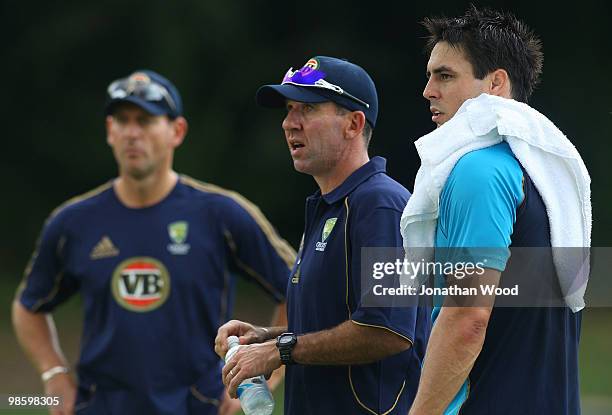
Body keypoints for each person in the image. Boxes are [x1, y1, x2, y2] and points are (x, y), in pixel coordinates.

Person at [12, 69, 295, 415]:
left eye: (145, 120)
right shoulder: (73, 222)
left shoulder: (222, 214)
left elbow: (297, 286)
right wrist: (54, 373)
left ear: (177, 131)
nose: (132, 132)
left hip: (196, 407)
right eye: (121, 120)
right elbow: (28, 307)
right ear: (109, 131)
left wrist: (269, 370)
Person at [401, 6, 590, 414]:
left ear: (496, 83)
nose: (428, 90)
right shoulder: (548, 174)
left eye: (445, 75)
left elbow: (468, 317)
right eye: (430, 75)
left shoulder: (479, 171)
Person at [215, 56, 431, 414]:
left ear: (353, 124)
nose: (289, 123)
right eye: (288, 109)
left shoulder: (381, 205)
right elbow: (331, 325)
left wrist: (279, 350)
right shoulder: (329, 206)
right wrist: (265, 337)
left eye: (308, 109)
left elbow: (388, 330)